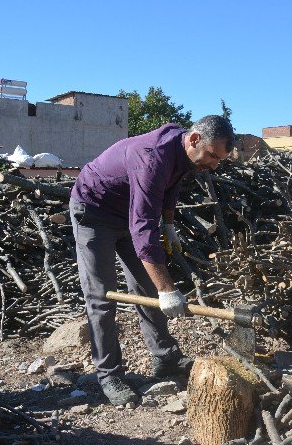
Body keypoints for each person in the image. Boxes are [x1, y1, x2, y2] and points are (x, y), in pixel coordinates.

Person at [69, 115, 234, 406]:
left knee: (147, 286)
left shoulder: (182, 149)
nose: (214, 165)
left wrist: (169, 225)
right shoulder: (152, 156)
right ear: (194, 139)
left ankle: (165, 359)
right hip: (94, 211)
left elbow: (169, 189)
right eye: (212, 155)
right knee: (102, 295)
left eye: (219, 159)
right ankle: (109, 375)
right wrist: (168, 290)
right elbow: (142, 228)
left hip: (127, 211)